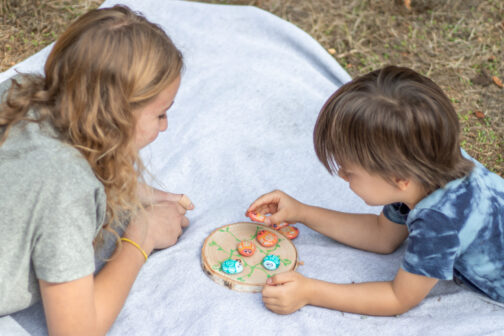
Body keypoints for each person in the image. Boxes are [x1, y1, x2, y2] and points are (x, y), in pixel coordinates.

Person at [247, 65, 504, 316]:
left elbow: (398, 298)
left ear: (399, 178)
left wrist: (310, 291)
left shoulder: (438, 223)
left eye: (350, 172)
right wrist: (301, 212)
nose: (341, 175)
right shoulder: (424, 166)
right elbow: (382, 237)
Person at [0, 5, 194, 335]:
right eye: (160, 114)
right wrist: (140, 237)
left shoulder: (18, 93)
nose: (166, 126)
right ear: (117, 117)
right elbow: (76, 330)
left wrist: (133, 191)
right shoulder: (67, 190)